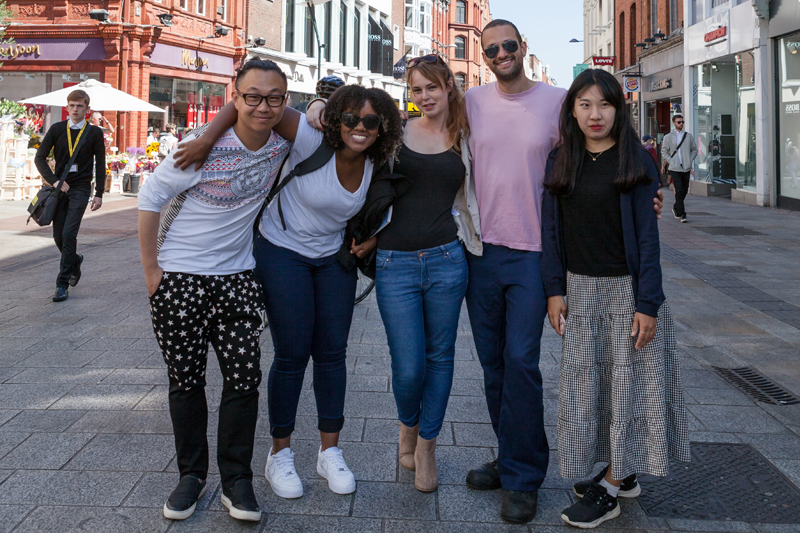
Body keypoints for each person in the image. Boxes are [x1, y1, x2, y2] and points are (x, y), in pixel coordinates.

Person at [460, 20, 663, 524]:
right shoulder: (474, 103)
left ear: (523, 47)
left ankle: (525, 476)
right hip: (481, 252)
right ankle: (509, 457)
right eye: (491, 48)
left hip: (535, 254)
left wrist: (647, 192)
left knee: (522, 363)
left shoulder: (558, 100)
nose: (501, 53)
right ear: (484, 56)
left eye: (509, 44)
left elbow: (601, 153)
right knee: (493, 366)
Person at [174, 84, 404, 501]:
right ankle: (280, 453)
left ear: (381, 127)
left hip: (333, 258)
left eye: (370, 121)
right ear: (336, 119)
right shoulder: (311, 138)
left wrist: (371, 239)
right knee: (293, 353)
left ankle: (329, 451)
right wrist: (207, 137)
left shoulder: (376, 159)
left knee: (333, 353)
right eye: (351, 118)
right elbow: (252, 108)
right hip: (282, 251)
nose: (360, 127)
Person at [137, 59, 294, 523]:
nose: (263, 106)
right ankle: (191, 476)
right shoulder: (196, 148)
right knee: (185, 382)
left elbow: (317, 118)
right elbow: (149, 199)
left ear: (285, 101)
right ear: (235, 95)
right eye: (252, 96)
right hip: (180, 280)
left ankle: (237, 479)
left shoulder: (281, 144)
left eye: (274, 97)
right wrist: (151, 272)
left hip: (238, 281)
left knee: (244, 380)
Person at [541, 68, 690, 529]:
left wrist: (648, 303)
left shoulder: (637, 161)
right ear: (572, 111)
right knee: (589, 388)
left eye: (604, 104)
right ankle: (620, 475)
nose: (595, 114)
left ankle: (610, 487)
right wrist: (554, 290)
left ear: (618, 108)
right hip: (581, 289)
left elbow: (648, 239)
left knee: (628, 389)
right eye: (584, 105)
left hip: (627, 291)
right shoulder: (561, 160)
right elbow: (551, 230)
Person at [366, 55, 480, 492]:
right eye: (416, 90)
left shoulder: (465, 134)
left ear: (448, 86)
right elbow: (345, 138)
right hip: (394, 263)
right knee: (409, 365)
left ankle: (428, 445)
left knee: (441, 357)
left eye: (432, 87)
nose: (425, 96)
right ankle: (406, 427)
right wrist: (320, 107)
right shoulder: (393, 133)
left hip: (447, 260)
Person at [34, 89, 105, 302]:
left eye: (80, 106)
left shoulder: (94, 133)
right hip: (59, 188)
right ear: (67, 107)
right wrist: (55, 181)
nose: (75, 109)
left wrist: (99, 193)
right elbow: (39, 158)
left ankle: (62, 284)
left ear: (87, 109)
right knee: (58, 236)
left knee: (69, 234)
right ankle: (74, 260)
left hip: (81, 189)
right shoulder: (56, 129)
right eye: (72, 105)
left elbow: (100, 164)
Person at [661, 114, 697, 223]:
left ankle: (676, 207)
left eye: (682, 122)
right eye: (679, 122)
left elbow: (694, 149)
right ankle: (682, 213)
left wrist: (689, 159)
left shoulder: (688, 136)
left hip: (685, 168)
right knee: (679, 189)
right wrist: (671, 161)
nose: (681, 124)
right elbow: (663, 152)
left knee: (684, 190)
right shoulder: (668, 137)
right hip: (674, 168)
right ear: (674, 123)